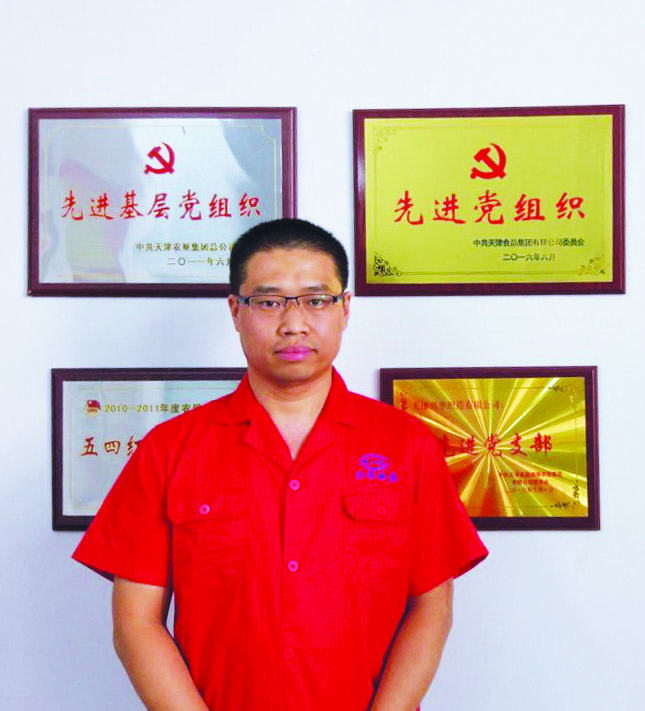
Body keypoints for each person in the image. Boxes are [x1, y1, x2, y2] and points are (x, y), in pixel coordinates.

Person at [73, 218, 488, 711]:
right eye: (269, 302)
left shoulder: (406, 446)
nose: (294, 323)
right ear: (236, 310)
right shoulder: (171, 449)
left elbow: (432, 608)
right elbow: (135, 622)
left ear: (345, 309)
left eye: (316, 300)